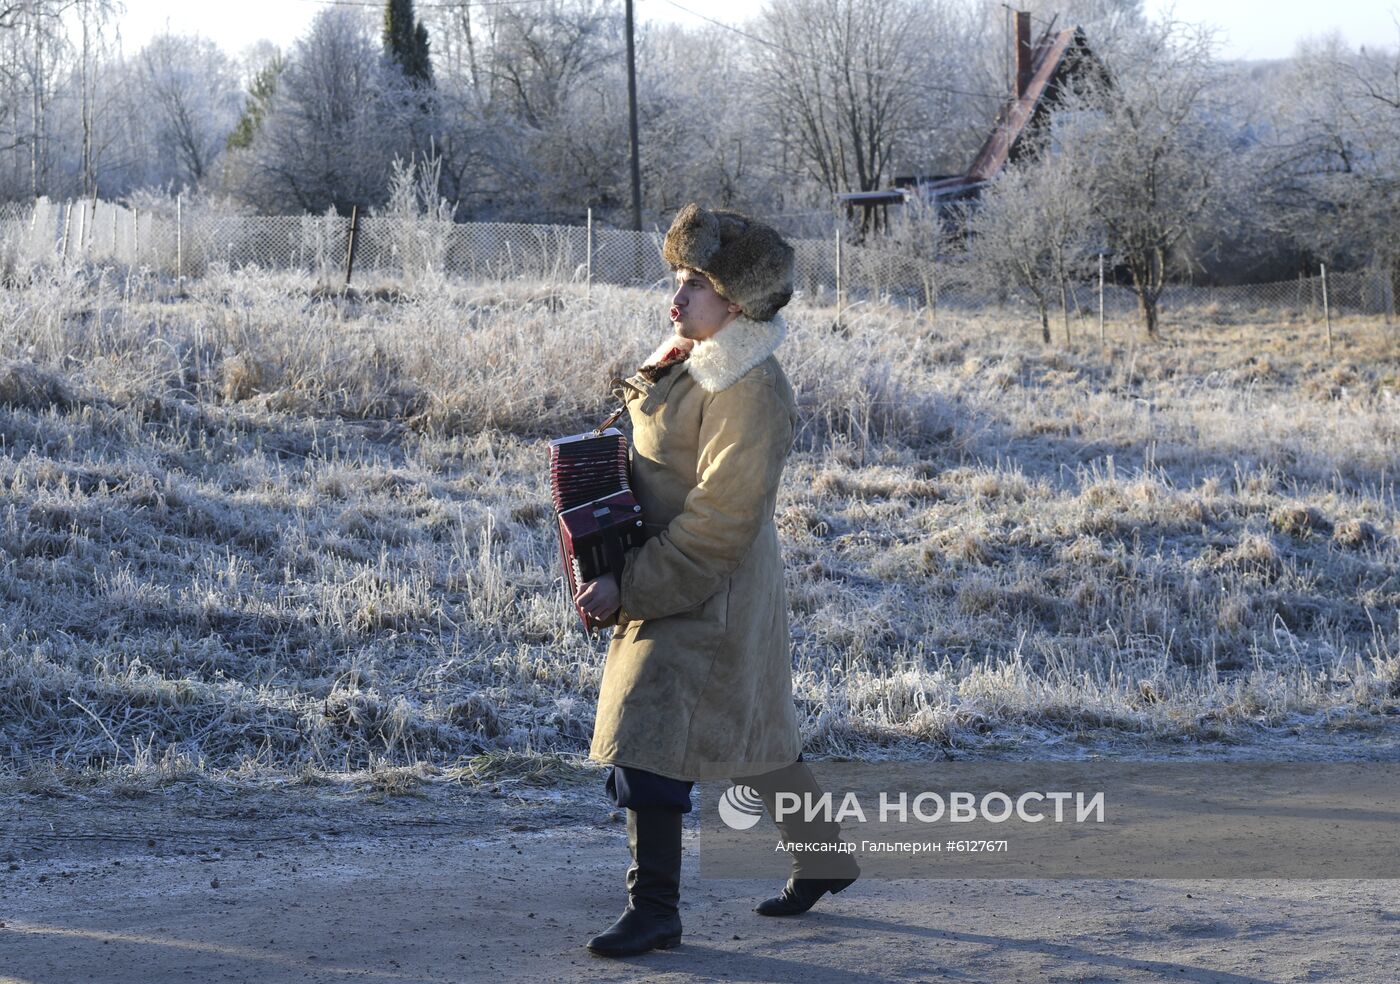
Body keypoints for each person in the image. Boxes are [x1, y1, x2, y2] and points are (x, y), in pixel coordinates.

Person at [573, 203, 859, 959]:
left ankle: (656, 912)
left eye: (693, 285)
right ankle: (824, 858)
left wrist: (631, 584)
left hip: (706, 584)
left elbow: (722, 518)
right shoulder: (687, 356)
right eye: (676, 280)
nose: (676, 298)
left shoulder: (750, 387)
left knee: (652, 738)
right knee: (757, 734)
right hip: (678, 571)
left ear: (735, 302)